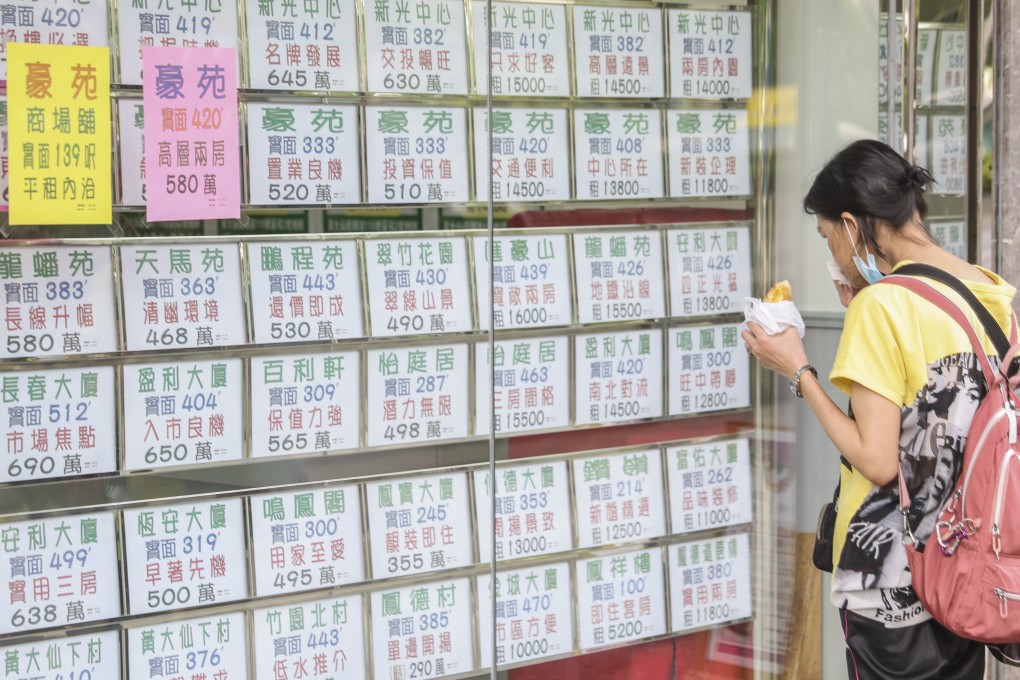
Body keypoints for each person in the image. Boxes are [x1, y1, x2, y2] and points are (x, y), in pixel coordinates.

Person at [742, 139, 1018, 679]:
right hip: (964, 564)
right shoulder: (985, 289)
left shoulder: (881, 306)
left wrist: (797, 369)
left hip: (892, 576)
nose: (834, 255)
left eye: (829, 238)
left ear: (852, 224)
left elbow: (878, 460)